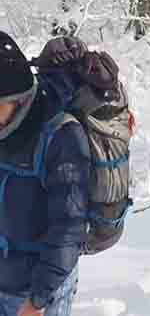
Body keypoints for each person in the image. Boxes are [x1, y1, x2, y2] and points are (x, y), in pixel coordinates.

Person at [0, 32, 90, 316]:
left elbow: (68, 228)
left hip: (37, 292)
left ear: (20, 100)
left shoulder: (61, 137)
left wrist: (37, 300)